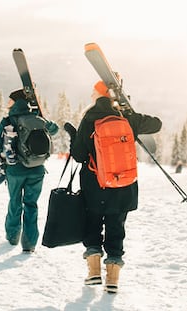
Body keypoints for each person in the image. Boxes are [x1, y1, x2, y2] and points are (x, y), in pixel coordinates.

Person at [66, 81, 162, 292]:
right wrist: (130, 112)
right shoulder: (126, 117)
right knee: (116, 227)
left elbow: (80, 155)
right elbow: (157, 124)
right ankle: (112, 280)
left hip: (95, 185)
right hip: (122, 185)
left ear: (98, 95)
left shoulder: (90, 117)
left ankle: (93, 273)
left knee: (92, 224)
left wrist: (74, 137)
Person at [0, 89, 59, 252]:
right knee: (31, 204)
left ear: (15, 102)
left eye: (10, 101)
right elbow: (54, 130)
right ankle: (29, 244)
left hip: (15, 170)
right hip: (37, 170)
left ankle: (13, 237)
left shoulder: (8, 120)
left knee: (15, 202)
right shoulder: (37, 118)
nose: (8, 103)